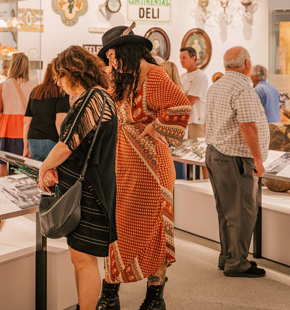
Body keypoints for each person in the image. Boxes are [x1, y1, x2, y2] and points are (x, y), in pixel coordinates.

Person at [97, 25, 191, 310]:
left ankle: (154, 297)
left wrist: (154, 127)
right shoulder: (122, 80)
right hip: (122, 165)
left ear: (126, 51)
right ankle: (109, 292)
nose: (111, 63)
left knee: (155, 231)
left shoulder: (155, 75)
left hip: (151, 169)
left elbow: (180, 108)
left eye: (113, 56)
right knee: (116, 228)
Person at [36, 46, 118, 310]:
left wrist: (44, 166)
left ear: (73, 72)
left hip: (89, 192)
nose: (58, 84)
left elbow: (68, 143)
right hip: (89, 188)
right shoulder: (97, 97)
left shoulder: (93, 98)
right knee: (80, 258)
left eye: (59, 77)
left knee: (83, 260)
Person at [205, 47, 269, 278]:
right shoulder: (242, 87)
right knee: (242, 211)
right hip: (235, 157)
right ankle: (237, 263)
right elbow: (247, 126)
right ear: (247, 64)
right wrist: (258, 159)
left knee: (226, 210)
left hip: (215, 153)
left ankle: (228, 256)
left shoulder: (217, 86)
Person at [0, 53, 36, 176]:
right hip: (27, 130)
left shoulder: (4, 85)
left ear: (12, 65)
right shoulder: (35, 85)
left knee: (4, 166)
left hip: (7, 130)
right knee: (26, 168)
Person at [23, 62, 69, 161]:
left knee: (38, 174)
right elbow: (59, 122)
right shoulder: (61, 92)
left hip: (33, 140)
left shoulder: (36, 91)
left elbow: (27, 122)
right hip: (51, 140)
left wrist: (25, 147)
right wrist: (65, 145)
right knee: (52, 174)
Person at [179, 47, 208, 140]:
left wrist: (180, 96)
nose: (181, 61)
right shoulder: (182, 76)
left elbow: (190, 101)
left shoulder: (200, 76)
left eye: (184, 58)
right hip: (183, 120)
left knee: (196, 151)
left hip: (196, 120)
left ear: (193, 58)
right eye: (180, 58)